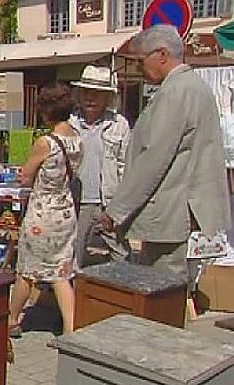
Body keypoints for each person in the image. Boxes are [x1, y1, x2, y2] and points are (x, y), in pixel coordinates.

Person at [98, 24, 230, 285]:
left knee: (162, 286)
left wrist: (117, 210)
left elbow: (153, 158)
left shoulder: (176, 92)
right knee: (169, 285)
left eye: (141, 60)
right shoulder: (193, 87)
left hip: (171, 210)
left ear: (162, 54)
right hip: (180, 207)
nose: (139, 68)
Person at [8, 82, 83, 336]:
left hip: (43, 212)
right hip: (65, 211)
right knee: (61, 274)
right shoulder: (77, 139)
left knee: (27, 271)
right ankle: (71, 330)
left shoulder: (46, 142)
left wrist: (20, 175)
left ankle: (12, 319)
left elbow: (26, 177)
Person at [69, 65, 133, 266]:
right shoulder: (69, 122)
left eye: (97, 94)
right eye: (87, 93)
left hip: (108, 202)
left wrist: (120, 207)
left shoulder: (119, 124)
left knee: (122, 256)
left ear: (107, 98)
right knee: (73, 257)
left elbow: (125, 166)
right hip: (78, 202)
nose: (91, 98)